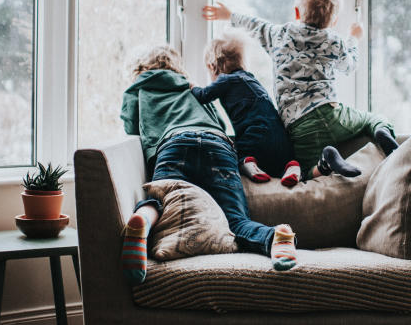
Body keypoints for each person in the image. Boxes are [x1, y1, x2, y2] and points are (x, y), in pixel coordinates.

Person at [119, 45, 297, 285]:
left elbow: (131, 128)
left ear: (140, 68)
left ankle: (143, 220)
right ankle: (275, 237)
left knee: (161, 204)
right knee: (234, 220)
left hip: (174, 144)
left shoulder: (138, 88)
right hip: (217, 144)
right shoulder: (190, 87)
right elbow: (219, 122)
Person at [202, 0, 399, 178]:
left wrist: (230, 15)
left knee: (302, 173)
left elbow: (255, 26)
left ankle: (326, 160)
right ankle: (381, 132)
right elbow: (350, 65)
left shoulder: (280, 35)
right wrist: (354, 38)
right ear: (334, 20)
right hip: (331, 113)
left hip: (298, 125)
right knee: (373, 119)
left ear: (297, 12)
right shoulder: (334, 41)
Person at [192, 32, 359, 186]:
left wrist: (191, 86)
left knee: (236, 151)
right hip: (280, 140)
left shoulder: (226, 80)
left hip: (254, 136)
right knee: (281, 163)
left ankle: (249, 164)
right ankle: (291, 167)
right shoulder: (252, 80)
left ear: (213, 66)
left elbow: (203, 95)